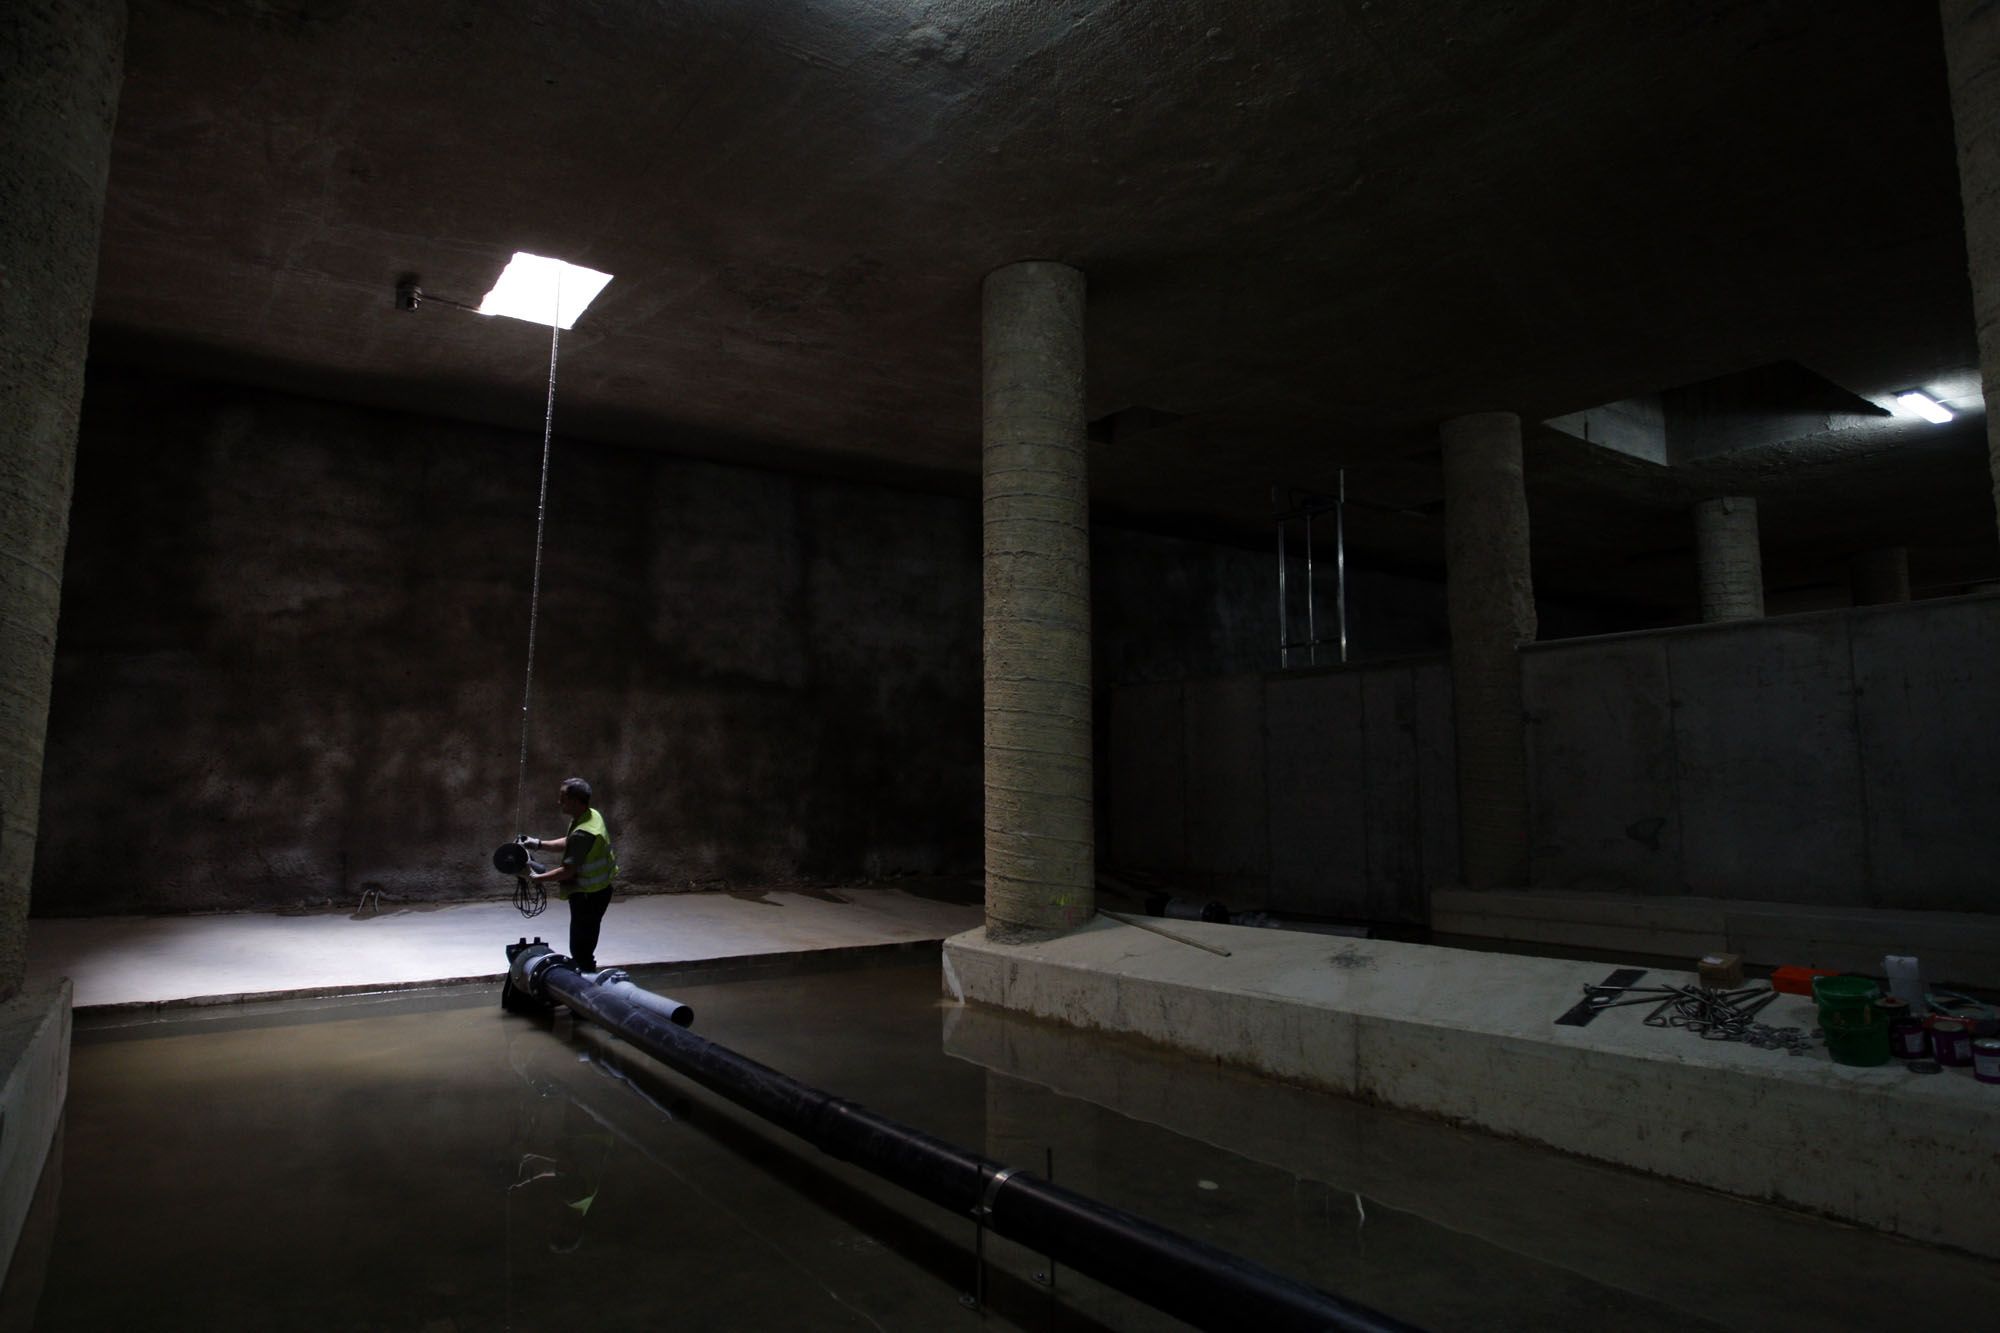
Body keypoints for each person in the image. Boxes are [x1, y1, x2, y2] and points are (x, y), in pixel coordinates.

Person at [522, 777, 619, 972]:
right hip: (596, 891)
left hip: (588, 896)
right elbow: (570, 842)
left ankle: (588, 988)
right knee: (584, 945)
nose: (559, 802)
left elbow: (568, 871)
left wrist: (537, 878)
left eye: (563, 798)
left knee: (581, 949)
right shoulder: (590, 816)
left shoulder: (584, 833)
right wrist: (538, 844)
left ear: (575, 801)